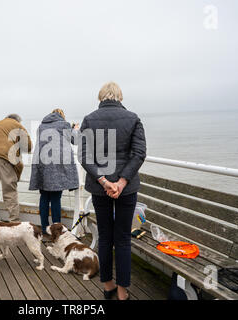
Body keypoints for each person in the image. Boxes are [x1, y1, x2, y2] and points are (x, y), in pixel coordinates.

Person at [79, 82, 147, 300]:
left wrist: (103, 181)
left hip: (100, 190)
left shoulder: (89, 119)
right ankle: (122, 293)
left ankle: (108, 286)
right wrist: (122, 182)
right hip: (126, 190)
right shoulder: (133, 118)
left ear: (101, 98)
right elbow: (139, 153)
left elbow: (85, 156)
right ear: (120, 97)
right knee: (124, 239)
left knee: (106, 237)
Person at [29, 108, 79, 235]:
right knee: (56, 198)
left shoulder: (41, 126)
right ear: (62, 116)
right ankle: (57, 228)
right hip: (57, 168)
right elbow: (75, 140)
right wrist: (76, 130)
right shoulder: (64, 124)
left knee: (44, 197)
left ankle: (45, 227)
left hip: (43, 166)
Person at [0, 114, 32, 222]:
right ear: (18, 120)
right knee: (9, 193)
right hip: (4, 158)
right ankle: (14, 222)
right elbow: (28, 147)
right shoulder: (17, 125)